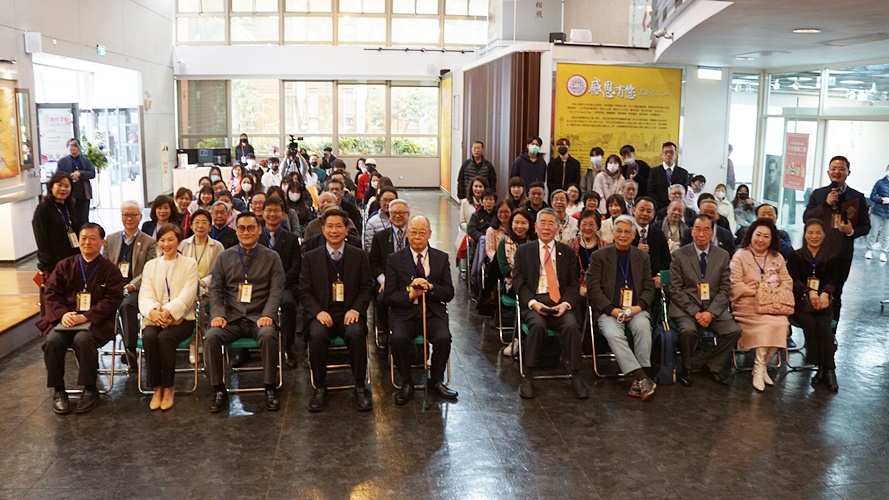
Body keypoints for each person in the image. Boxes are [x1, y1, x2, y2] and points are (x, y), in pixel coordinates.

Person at [36, 223, 124, 414]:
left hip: (95, 323)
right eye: (83, 238)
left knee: (83, 340)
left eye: (93, 238)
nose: (87, 242)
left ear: (102, 242)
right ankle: (59, 390)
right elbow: (51, 293)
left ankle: (90, 389)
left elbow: (112, 299)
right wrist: (63, 314)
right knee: (52, 341)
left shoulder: (110, 270)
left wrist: (86, 317)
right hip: (66, 320)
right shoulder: (64, 265)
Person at [205, 212, 285, 413]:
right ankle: (218, 389)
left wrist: (268, 314)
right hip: (231, 318)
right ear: (236, 231)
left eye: (251, 228)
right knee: (211, 337)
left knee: (268, 335)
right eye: (241, 228)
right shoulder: (225, 257)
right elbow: (215, 289)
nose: (246, 232)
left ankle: (270, 386)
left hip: (259, 317)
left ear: (259, 230)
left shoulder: (272, 257)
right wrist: (218, 314)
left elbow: (277, 290)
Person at [300, 209, 374, 412]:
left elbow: (367, 287)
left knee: (356, 333)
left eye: (339, 226)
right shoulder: (311, 257)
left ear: (346, 230)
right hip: (322, 313)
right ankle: (320, 387)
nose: (334, 231)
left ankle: (360, 386)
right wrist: (318, 312)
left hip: (350, 312)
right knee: (317, 335)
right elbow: (304, 291)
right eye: (330, 226)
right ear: (323, 230)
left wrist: (356, 309)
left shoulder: (359, 255)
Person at [512, 208, 588, 400]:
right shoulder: (524, 251)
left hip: (560, 303)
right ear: (535, 227)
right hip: (535, 302)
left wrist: (566, 304)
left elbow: (573, 284)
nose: (546, 228)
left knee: (571, 326)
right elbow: (518, 283)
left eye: (550, 224)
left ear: (557, 228)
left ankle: (576, 375)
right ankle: (528, 375)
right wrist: (533, 303)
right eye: (542, 223)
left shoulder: (567, 252)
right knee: (537, 326)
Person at [385, 216, 459, 405]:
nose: (417, 237)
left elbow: (449, 293)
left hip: (432, 312)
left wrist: (431, 287)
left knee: (443, 338)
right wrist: (411, 293)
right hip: (404, 313)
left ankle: (436, 380)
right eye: (413, 232)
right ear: (407, 234)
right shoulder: (394, 259)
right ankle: (406, 381)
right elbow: (390, 296)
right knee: (398, 338)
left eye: (422, 233)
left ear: (430, 234)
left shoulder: (441, 258)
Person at [587, 215, 657, 401]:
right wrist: (612, 310)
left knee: (643, 327)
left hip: (635, 308)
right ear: (613, 232)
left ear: (634, 235)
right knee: (613, 334)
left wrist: (637, 308)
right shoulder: (599, 256)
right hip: (609, 310)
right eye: (619, 231)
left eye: (627, 232)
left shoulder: (642, 257)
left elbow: (649, 288)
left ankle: (639, 379)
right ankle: (642, 377)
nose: (623, 235)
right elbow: (593, 289)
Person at [668, 214, 742, 387]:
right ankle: (686, 368)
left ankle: (712, 366)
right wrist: (695, 312)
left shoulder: (723, 255)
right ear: (691, 231)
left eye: (706, 230)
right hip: (686, 308)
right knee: (688, 331)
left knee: (734, 331)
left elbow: (725, 288)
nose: (701, 234)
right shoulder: (679, 255)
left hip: (713, 307)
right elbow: (675, 289)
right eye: (697, 229)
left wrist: (711, 312)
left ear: (712, 232)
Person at [802, 155, 870, 328]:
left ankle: (831, 332)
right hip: (817, 252)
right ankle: (813, 330)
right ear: (828, 172)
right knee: (814, 290)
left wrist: (851, 231)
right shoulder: (818, 194)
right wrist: (825, 204)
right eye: (833, 168)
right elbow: (807, 218)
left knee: (835, 292)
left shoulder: (857, 197)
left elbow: (866, 226)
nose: (836, 172)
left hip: (842, 254)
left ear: (848, 172)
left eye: (841, 169)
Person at [138, 224, 198, 410]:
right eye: (162, 240)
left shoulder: (190, 264)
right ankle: (156, 388)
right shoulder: (151, 265)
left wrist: (168, 312)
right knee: (149, 337)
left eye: (171, 239)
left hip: (183, 318)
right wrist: (154, 312)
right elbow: (145, 293)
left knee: (165, 338)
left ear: (178, 241)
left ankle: (169, 387)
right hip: (155, 316)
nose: (166, 244)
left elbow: (188, 294)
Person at [729, 219, 793, 391]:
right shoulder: (740, 255)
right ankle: (759, 368)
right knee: (768, 326)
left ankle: (760, 366)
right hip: (747, 305)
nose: (761, 239)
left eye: (766, 236)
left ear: (772, 239)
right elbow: (735, 284)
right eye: (758, 235)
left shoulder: (777, 257)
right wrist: (759, 291)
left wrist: (773, 293)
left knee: (782, 324)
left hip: (773, 305)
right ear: (751, 235)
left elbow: (787, 281)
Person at [102, 201, 158, 371]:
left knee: (127, 305)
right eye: (125, 214)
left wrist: (131, 286)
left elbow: (149, 269)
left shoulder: (149, 241)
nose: (129, 218)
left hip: (137, 288)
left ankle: (130, 350)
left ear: (140, 217)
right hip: (113, 286)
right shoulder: (111, 239)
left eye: (133, 215)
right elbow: (104, 265)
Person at [787, 219, 839, 391]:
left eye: (818, 233)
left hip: (823, 302)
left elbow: (832, 281)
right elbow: (793, 280)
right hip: (801, 303)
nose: (814, 236)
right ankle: (822, 368)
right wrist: (809, 291)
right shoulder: (796, 255)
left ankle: (827, 370)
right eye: (810, 233)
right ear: (805, 235)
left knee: (824, 327)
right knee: (811, 324)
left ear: (824, 235)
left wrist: (824, 293)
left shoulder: (831, 256)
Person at [260, 196, 302, 369]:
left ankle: (287, 347)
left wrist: (279, 285)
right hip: (259, 287)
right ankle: (244, 350)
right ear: (262, 213)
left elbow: (295, 266)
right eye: (268, 210)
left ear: (283, 214)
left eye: (276, 210)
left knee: (288, 303)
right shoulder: (255, 236)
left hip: (285, 286)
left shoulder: (291, 239)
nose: (272, 214)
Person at [369, 199, 411, 352]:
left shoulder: (414, 235)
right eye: (394, 213)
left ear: (408, 214)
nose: (398, 216)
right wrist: (384, 280)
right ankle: (387, 330)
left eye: (402, 212)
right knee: (382, 299)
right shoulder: (380, 237)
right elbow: (373, 263)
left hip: (411, 281)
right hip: (385, 281)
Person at [497, 208, 535, 357]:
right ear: (511, 224)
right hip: (512, 284)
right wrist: (523, 276)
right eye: (516, 222)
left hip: (535, 284)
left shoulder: (535, 242)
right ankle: (518, 339)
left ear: (530, 224)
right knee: (525, 299)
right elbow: (504, 269)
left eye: (523, 223)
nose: (520, 226)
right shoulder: (504, 243)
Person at [32, 171, 82, 280]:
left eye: (67, 186)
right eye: (59, 185)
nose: (63, 189)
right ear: (51, 187)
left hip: (73, 258)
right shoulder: (43, 209)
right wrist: (45, 263)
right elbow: (41, 237)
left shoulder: (71, 207)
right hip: (54, 261)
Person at [178, 209, 224, 304]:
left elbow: (220, 271)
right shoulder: (183, 244)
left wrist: (204, 282)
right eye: (197, 222)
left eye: (204, 222)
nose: (200, 226)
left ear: (210, 227)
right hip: (185, 290)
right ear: (191, 226)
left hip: (208, 291)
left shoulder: (217, 246)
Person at [632, 197, 671, 289]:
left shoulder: (659, 234)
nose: (645, 214)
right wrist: (635, 251)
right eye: (642, 210)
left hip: (653, 283)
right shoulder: (625, 233)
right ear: (634, 210)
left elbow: (667, 261)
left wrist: (660, 275)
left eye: (649, 211)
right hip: (631, 280)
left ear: (653, 214)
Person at [55, 138, 95, 225]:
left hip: (84, 194)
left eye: (75, 146)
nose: (73, 148)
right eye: (71, 146)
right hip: (69, 195)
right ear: (67, 148)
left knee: (84, 218)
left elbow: (92, 173)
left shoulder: (85, 160)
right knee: (71, 218)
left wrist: (80, 174)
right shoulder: (62, 161)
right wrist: (70, 176)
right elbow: (57, 175)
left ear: (79, 148)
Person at [569, 209, 603, 299]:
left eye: (591, 224)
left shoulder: (605, 247)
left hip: (599, 291)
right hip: (574, 291)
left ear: (598, 226)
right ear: (579, 226)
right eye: (584, 224)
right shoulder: (570, 245)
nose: (587, 228)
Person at [648, 142, 689, 211]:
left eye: (671, 152)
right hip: (659, 208)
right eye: (666, 152)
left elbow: (684, 192)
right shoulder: (654, 171)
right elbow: (651, 191)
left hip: (677, 208)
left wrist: (674, 204)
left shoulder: (683, 173)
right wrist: (663, 207)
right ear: (662, 155)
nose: (668, 154)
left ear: (675, 154)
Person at [866, 164, 889, 261]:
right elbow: (872, 196)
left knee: (886, 235)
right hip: (878, 211)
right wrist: (881, 199)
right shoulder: (880, 183)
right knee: (873, 232)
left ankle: (883, 252)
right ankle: (869, 250)